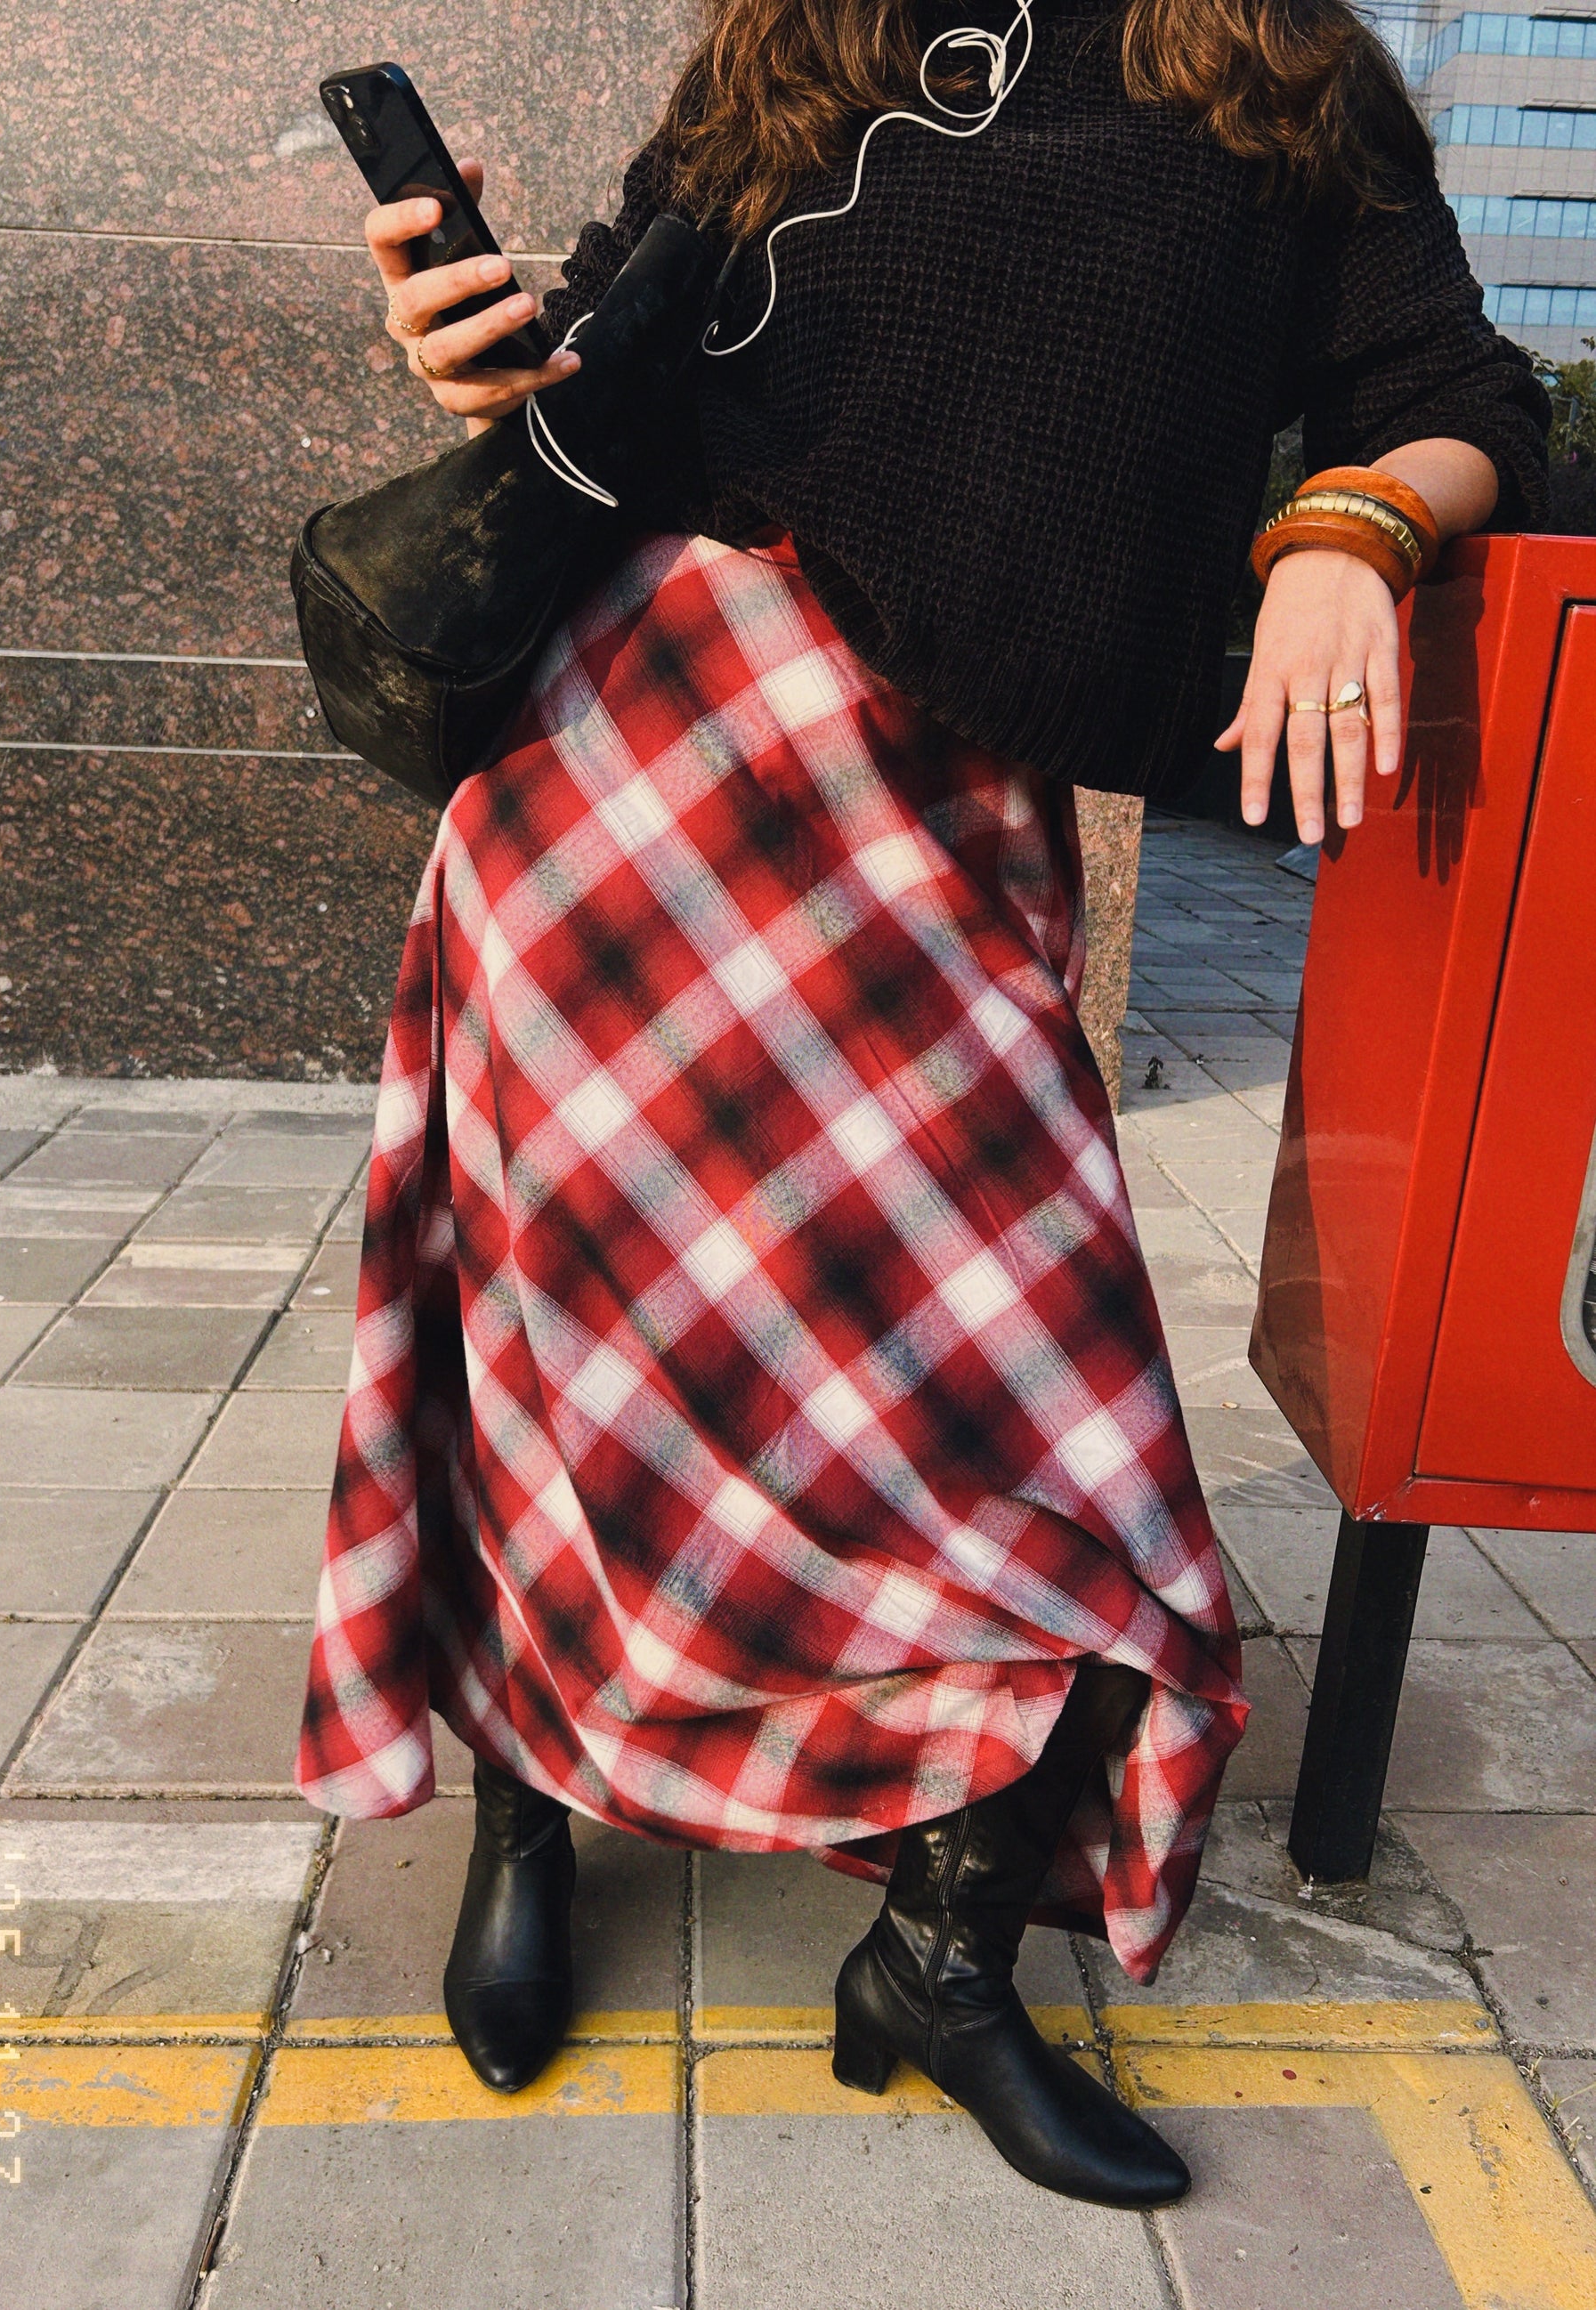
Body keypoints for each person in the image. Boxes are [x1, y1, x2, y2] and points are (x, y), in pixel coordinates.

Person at [297, 0, 1550, 2211]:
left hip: (933, 829)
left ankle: (941, 1960)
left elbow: (1456, 395)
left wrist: (1344, 530)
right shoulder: (800, 33)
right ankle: (527, 1811)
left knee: (1025, 1412)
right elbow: (617, 361)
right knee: (554, 1344)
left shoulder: (1273, 66)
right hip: (613, 766)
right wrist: (475, 350)